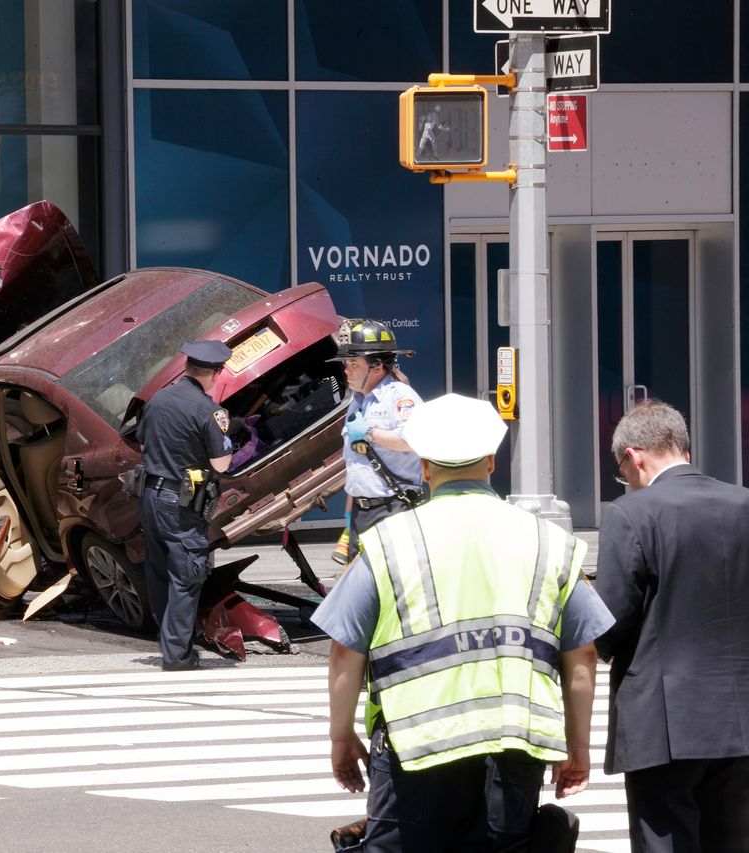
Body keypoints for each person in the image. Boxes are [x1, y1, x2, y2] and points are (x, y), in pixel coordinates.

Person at [312, 393, 613, 852]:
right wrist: (577, 747)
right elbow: (583, 655)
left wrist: (341, 736)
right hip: (513, 746)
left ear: (426, 468)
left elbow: (344, 651)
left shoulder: (388, 541)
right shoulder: (550, 542)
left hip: (414, 747)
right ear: (491, 462)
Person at [595, 400, 749, 852]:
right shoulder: (744, 504)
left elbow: (611, 619)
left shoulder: (632, 514)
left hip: (663, 723)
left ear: (634, 456)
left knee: (665, 840)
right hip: (741, 717)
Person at [136, 340, 233, 672]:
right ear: (216, 374)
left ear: (187, 368)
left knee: (159, 572)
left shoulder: (157, 399)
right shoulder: (210, 411)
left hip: (150, 494)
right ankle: (177, 655)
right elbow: (221, 464)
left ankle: (168, 643)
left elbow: (143, 440)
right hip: (180, 502)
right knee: (187, 575)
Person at [328, 318, 423, 565]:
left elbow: (410, 440)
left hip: (392, 510)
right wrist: (349, 523)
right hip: (363, 512)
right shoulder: (358, 401)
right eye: (346, 364)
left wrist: (370, 433)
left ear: (377, 366)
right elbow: (357, 464)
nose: (346, 370)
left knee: (391, 587)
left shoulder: (400, 397)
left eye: (353, 364)